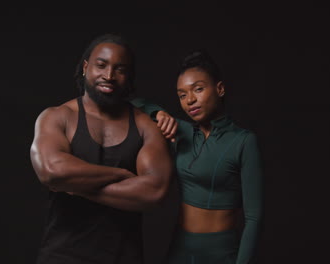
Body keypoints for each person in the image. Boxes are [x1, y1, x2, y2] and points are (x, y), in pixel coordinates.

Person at [30, 33, 173, 264]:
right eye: (101, 65)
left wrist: (79, 187)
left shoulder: (146, 126)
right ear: (86, 67)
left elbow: (154, 191)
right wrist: (122, 175)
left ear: (129, 77)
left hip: (124, 257)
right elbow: (52, 171)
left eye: (120, 69)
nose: (109, 75)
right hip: (61, 256)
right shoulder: (58, 117)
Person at [131, 49, 264, 263]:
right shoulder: (181, 130)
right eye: (182, 95)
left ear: (219, 89)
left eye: (198, 89)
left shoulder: (244, 141)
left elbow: (254, 217)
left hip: (220, 252)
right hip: (181, 247)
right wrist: (159, 113)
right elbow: (133, 104)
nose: (190, 100)